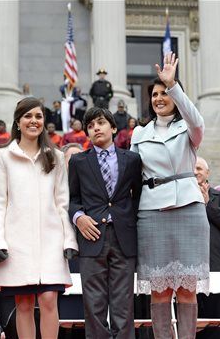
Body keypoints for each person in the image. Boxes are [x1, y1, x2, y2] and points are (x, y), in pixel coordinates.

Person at [130, 53, 209, 339]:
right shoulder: (139, 133)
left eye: (164, 93)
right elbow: (133, 173)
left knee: (187, 289)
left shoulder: (188, 127)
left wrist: (172, 83)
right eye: (155, 94)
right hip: (151, 212)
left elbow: (197, 121)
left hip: (188, 207)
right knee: (160, 290)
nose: (159, 98)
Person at [0, 97, 78, 338]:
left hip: (51, 241)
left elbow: (62, 202)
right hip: (16, 242)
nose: (34, 121)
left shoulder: (56, 157)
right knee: (24, 303)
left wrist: (69, 240)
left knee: (49, 300)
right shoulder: (2, 156)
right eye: (28, 116)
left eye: (38, 116)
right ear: (18, 121)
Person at [68, 106, 142, 338]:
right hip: (91, 237)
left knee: (123, 303)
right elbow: (71, 199)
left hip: (123, 236)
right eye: (90, 126)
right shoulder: (79, 161)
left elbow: (138, 196)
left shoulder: (132, 159)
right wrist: (79, 218)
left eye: (100, 123)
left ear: (113, 127)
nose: (95, 128)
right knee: (93, 303)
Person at [194, 157, 220, 339]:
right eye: (192, 168)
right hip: (190, 267)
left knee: (217, 323)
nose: (196, 172)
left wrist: (208, 202)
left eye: (200, 168)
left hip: (216, 267)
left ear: (207, 173)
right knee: (192, 322)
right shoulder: (180, 195)